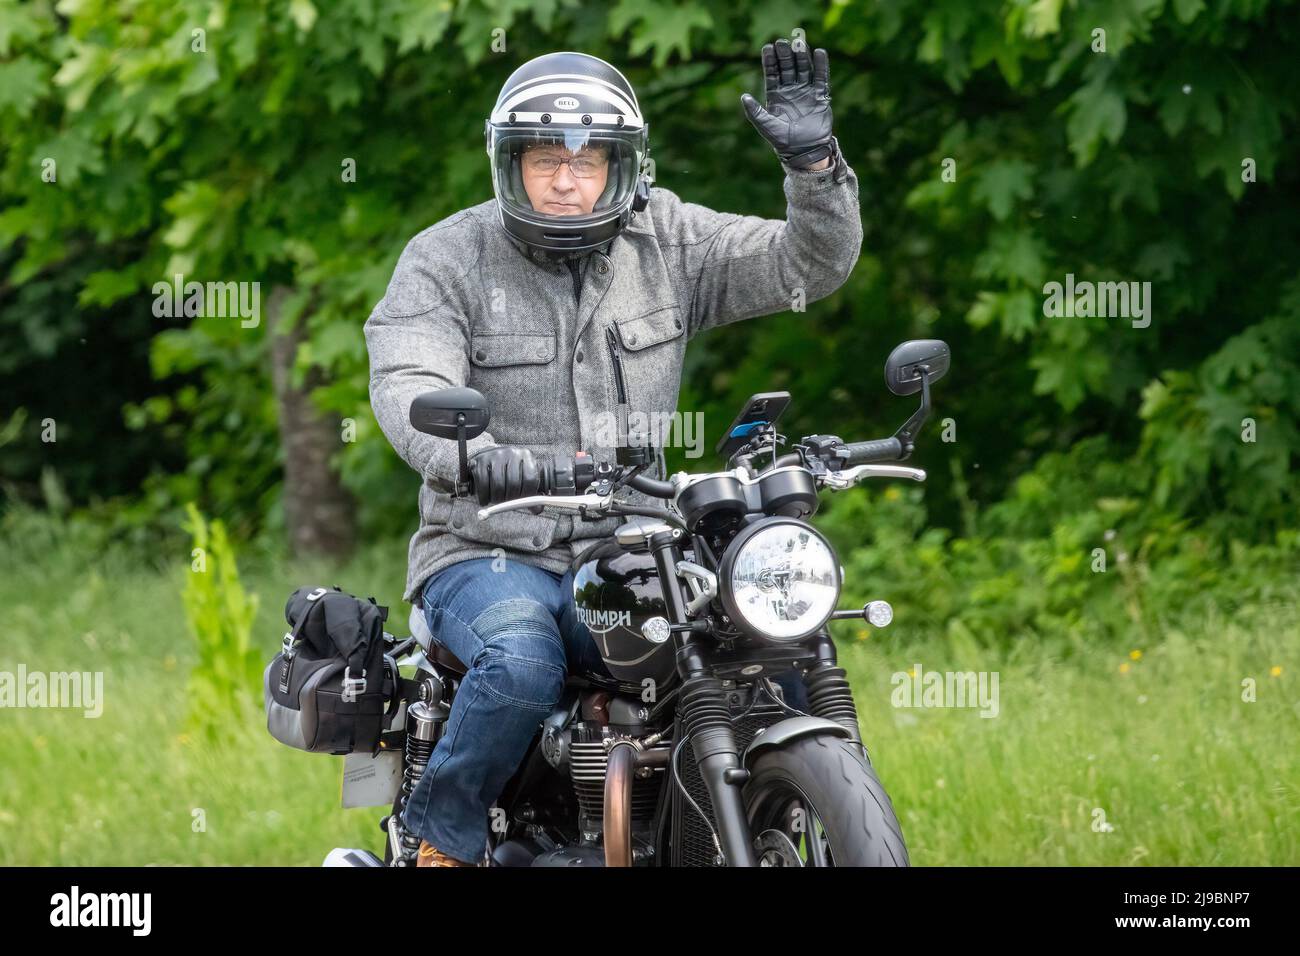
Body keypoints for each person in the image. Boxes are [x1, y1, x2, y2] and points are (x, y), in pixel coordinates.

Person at [365, 39, 862, 866]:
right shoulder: (445, 258)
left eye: (589, 161)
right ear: (509, 164)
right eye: (545, 159)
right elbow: (406, 379)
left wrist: (815, 169)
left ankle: (794, 809)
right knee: (522, 657)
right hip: (489, 545)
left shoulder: (666, 240)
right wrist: (476, 454)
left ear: (622, 168)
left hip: (632, 544)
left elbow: (806, 265)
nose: (567, 180)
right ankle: (440, 843)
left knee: (759, 638)